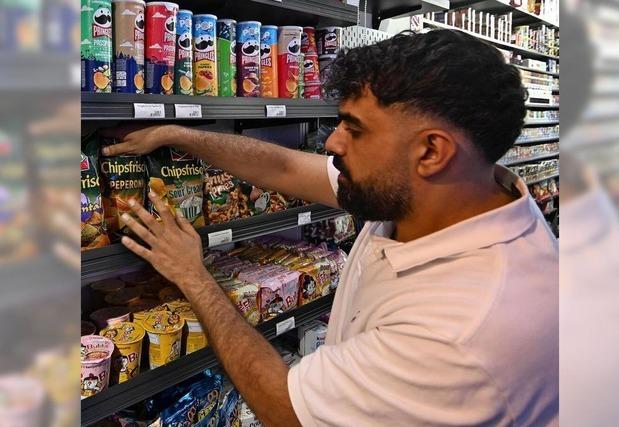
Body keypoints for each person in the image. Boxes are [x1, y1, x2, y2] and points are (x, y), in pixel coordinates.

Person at [104, 30, 558, 426]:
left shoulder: (463, 326)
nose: (333, 141)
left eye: (355, 129)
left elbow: (286, 410)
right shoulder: (436, 194)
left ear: (431, 152)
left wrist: (194, 277)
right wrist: (179, 135)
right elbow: (283, 167)